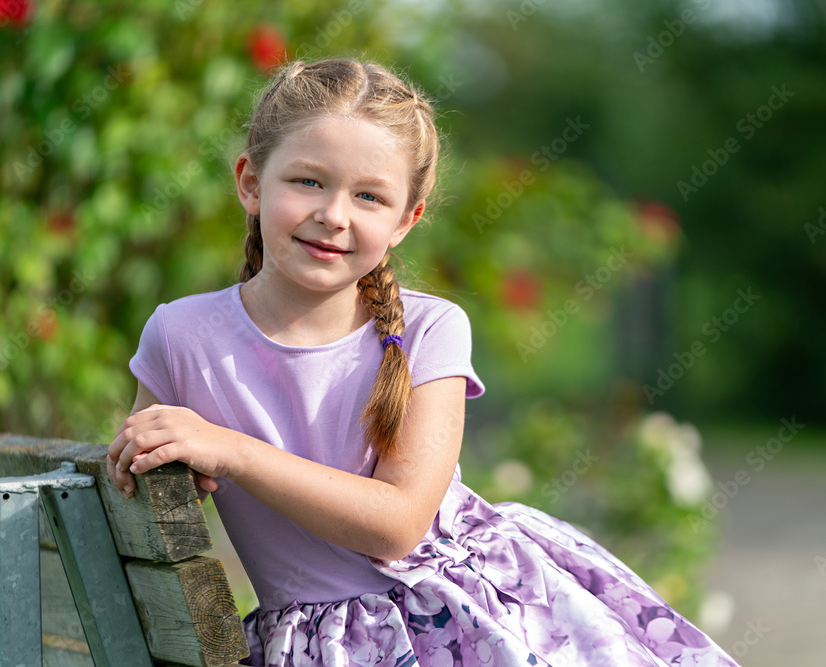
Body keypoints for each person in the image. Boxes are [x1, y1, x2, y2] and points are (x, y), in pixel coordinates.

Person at [106, 57, 739, 667]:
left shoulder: (431, 330)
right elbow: (143, 488)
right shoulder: (180, 335)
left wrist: (232, 451)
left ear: (406, 220)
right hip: (313, 642)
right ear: (250, 182)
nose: (333, 215)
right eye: (307, 181)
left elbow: (399, 525)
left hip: (458, 619)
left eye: (369, 197)